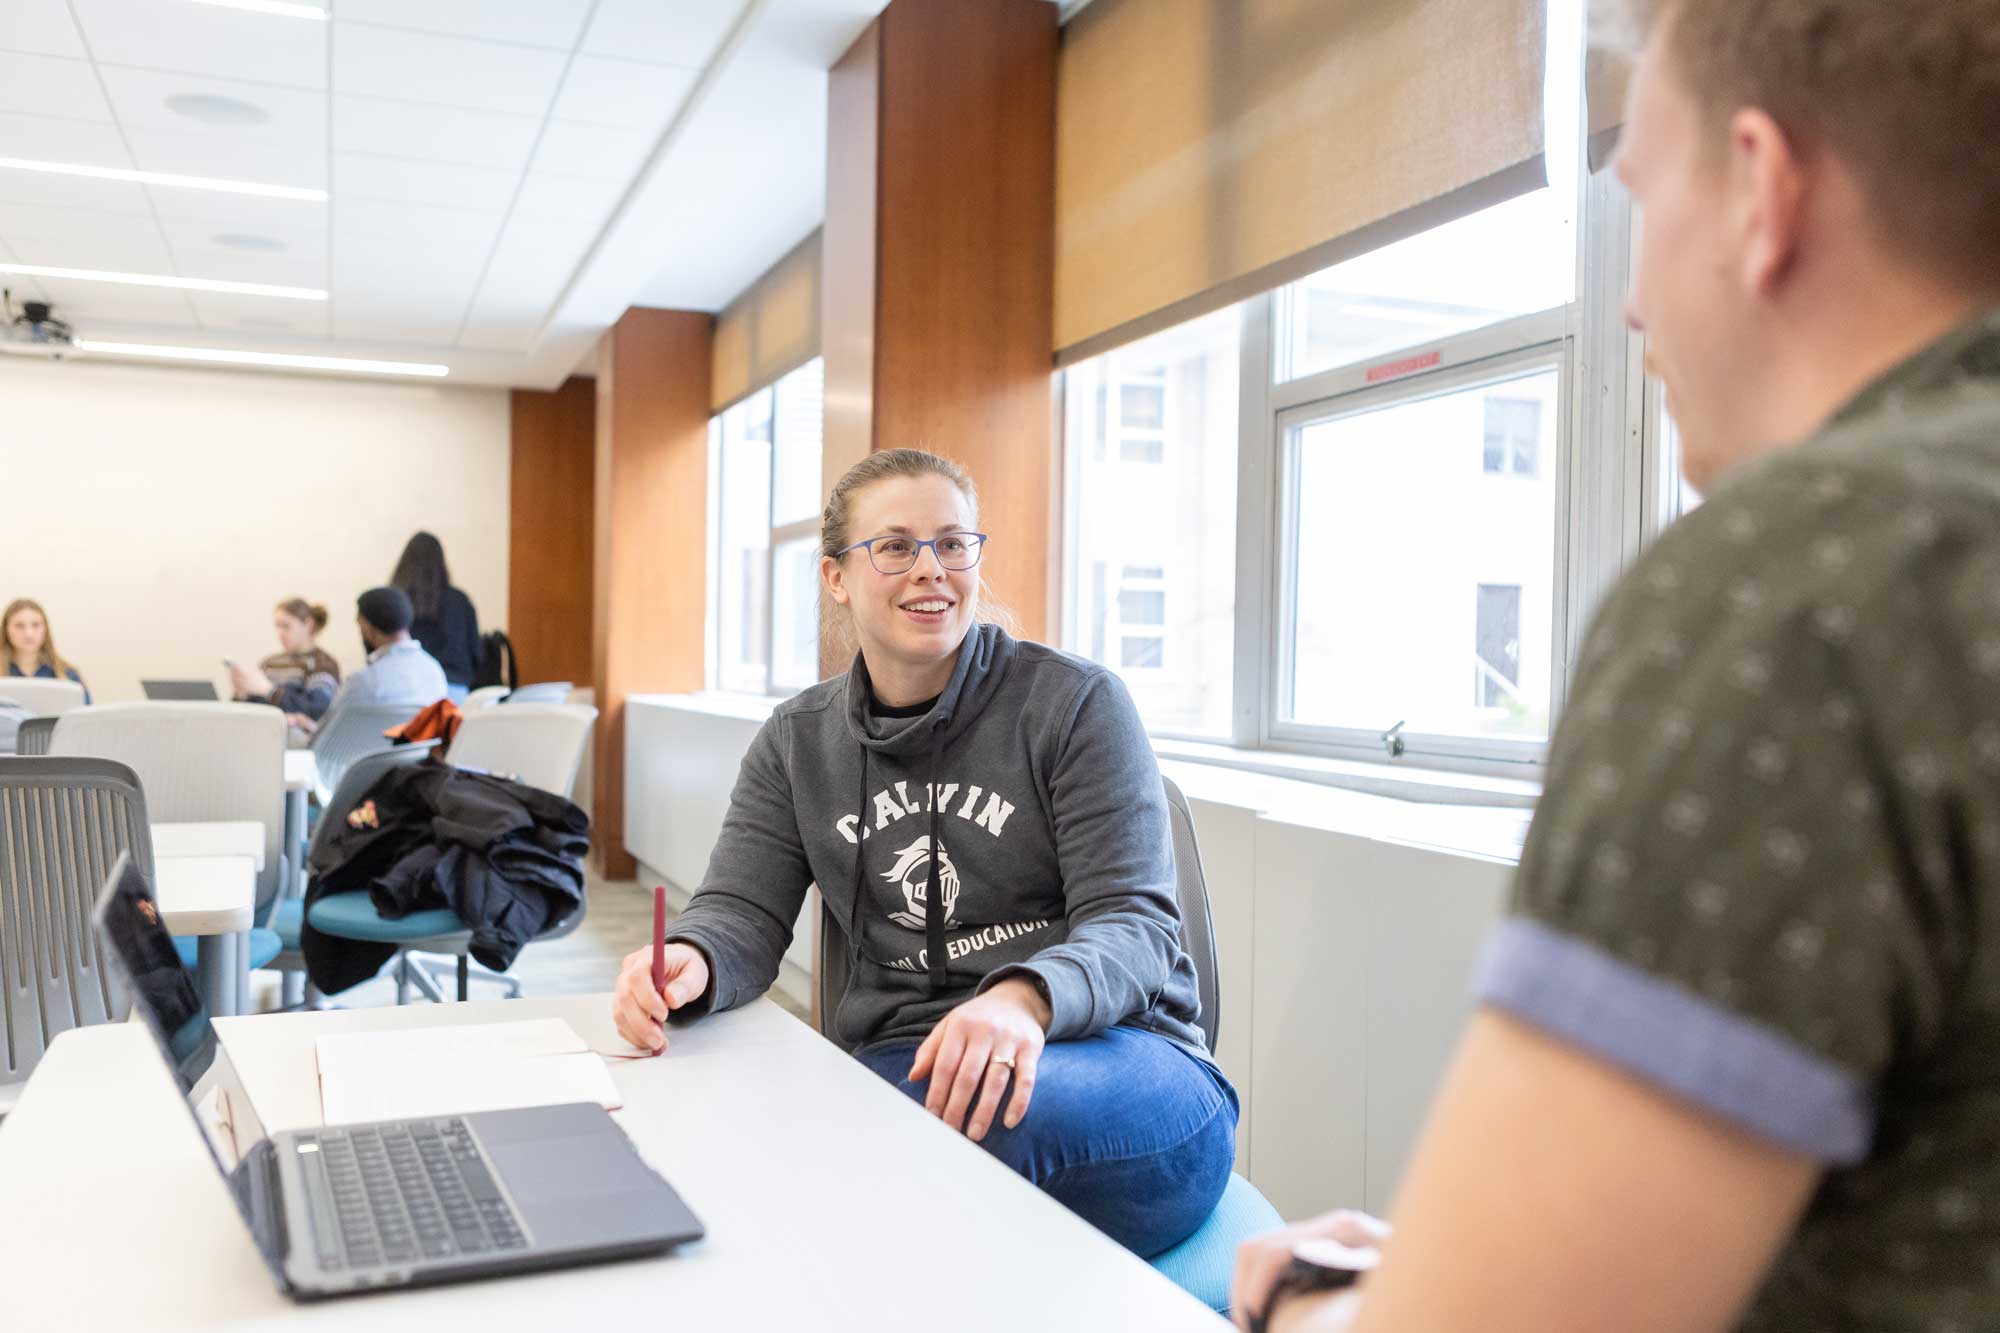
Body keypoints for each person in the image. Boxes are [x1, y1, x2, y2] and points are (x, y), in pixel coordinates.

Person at [1232, 1, 2000, 1330]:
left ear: (1763, 190)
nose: (1634, 298)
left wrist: (1315, 1306)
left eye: (1639, 194)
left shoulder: (1799, 590)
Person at [610, 448, 1238, 1257]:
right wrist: (689, 958)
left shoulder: (1075, 704)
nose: (931, 569)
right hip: (912, 1064)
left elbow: (1136, 924)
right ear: (837, 576)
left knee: (937, 1141)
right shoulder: (799, 742)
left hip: (1127, 1062)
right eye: (896, 546)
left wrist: (1022, 1000)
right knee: (758, 1133)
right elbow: (739, 909)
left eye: (952, 542)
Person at [298, 588, 447, 734]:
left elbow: (326, 736)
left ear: (369, 628)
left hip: (366, 758)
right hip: (418, 757)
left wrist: (304, 726)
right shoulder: (435, 672)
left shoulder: (364, 682)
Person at [391, 532, 479, 704]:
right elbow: (476, 652)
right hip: (456, 691)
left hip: (408, 690)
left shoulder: (399, 602)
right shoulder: (460, 601)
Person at [228, 598, 342, 728]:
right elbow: (248, 711)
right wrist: (240, 694)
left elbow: (316, 710)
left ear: (308, 624)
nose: (280, 633)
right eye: (277, 626)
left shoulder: (323, 664)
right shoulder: (269, 662)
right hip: (259, 730)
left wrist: (269, 690)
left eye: (286, 626)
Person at [3, 598, 89, 703]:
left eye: (36, 625)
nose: (28, 633)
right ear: (6, 629)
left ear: (45, 629)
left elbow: (85, 716)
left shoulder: (68, 675)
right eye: (19, 626)